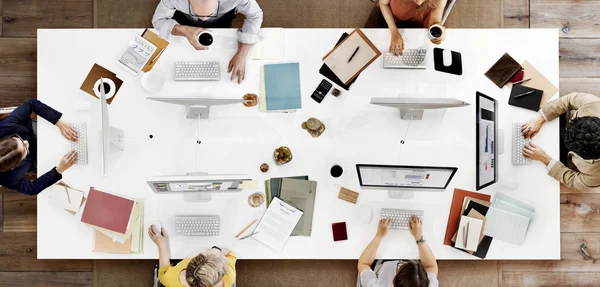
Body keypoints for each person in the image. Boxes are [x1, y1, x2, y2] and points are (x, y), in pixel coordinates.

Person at [152, 0, 264, 84]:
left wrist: (242, 54)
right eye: (199, 14)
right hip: (183, 18)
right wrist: (183, 30)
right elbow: (157, 21)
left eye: (210, 14)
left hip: (222, 19)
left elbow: (255, 16)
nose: (204, 20)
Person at [521, 92, 600, 192]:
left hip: (564, 157)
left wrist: (545, 159)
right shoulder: (595, 105)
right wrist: (541, 119)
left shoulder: (597, 176)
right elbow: (569, 100)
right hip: (562, 121)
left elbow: (572, 180)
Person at [0, 99, 78, 196]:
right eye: (24, 148)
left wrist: (58, 122)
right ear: (14, 167)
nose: (25, 142)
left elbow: (31, 103)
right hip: (36, 160)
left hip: (35, 131)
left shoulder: (4, 128)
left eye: (19, 140)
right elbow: (32, 189)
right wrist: (59, 170)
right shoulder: (7, 179)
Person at [357, 216, 439, 287]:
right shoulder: (428, 284)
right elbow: (431, 266)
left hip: (383, 261)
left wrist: (379, 235)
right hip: (411, 255)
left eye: (402, 267)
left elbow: (363, 263)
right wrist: (419, 238)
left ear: (395, 280)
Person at [149, 225, 237, 287]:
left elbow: (162, 275)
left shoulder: (173, 278)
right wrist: (217, 250)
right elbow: (231, 254)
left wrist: (162, 245)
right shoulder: (229, 277)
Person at [365, 0, 448, 56]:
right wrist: (394, 30)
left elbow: (435, 19)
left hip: (418, 24)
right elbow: (383, 4)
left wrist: (438, 27)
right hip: (393, 18)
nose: (419, 2)